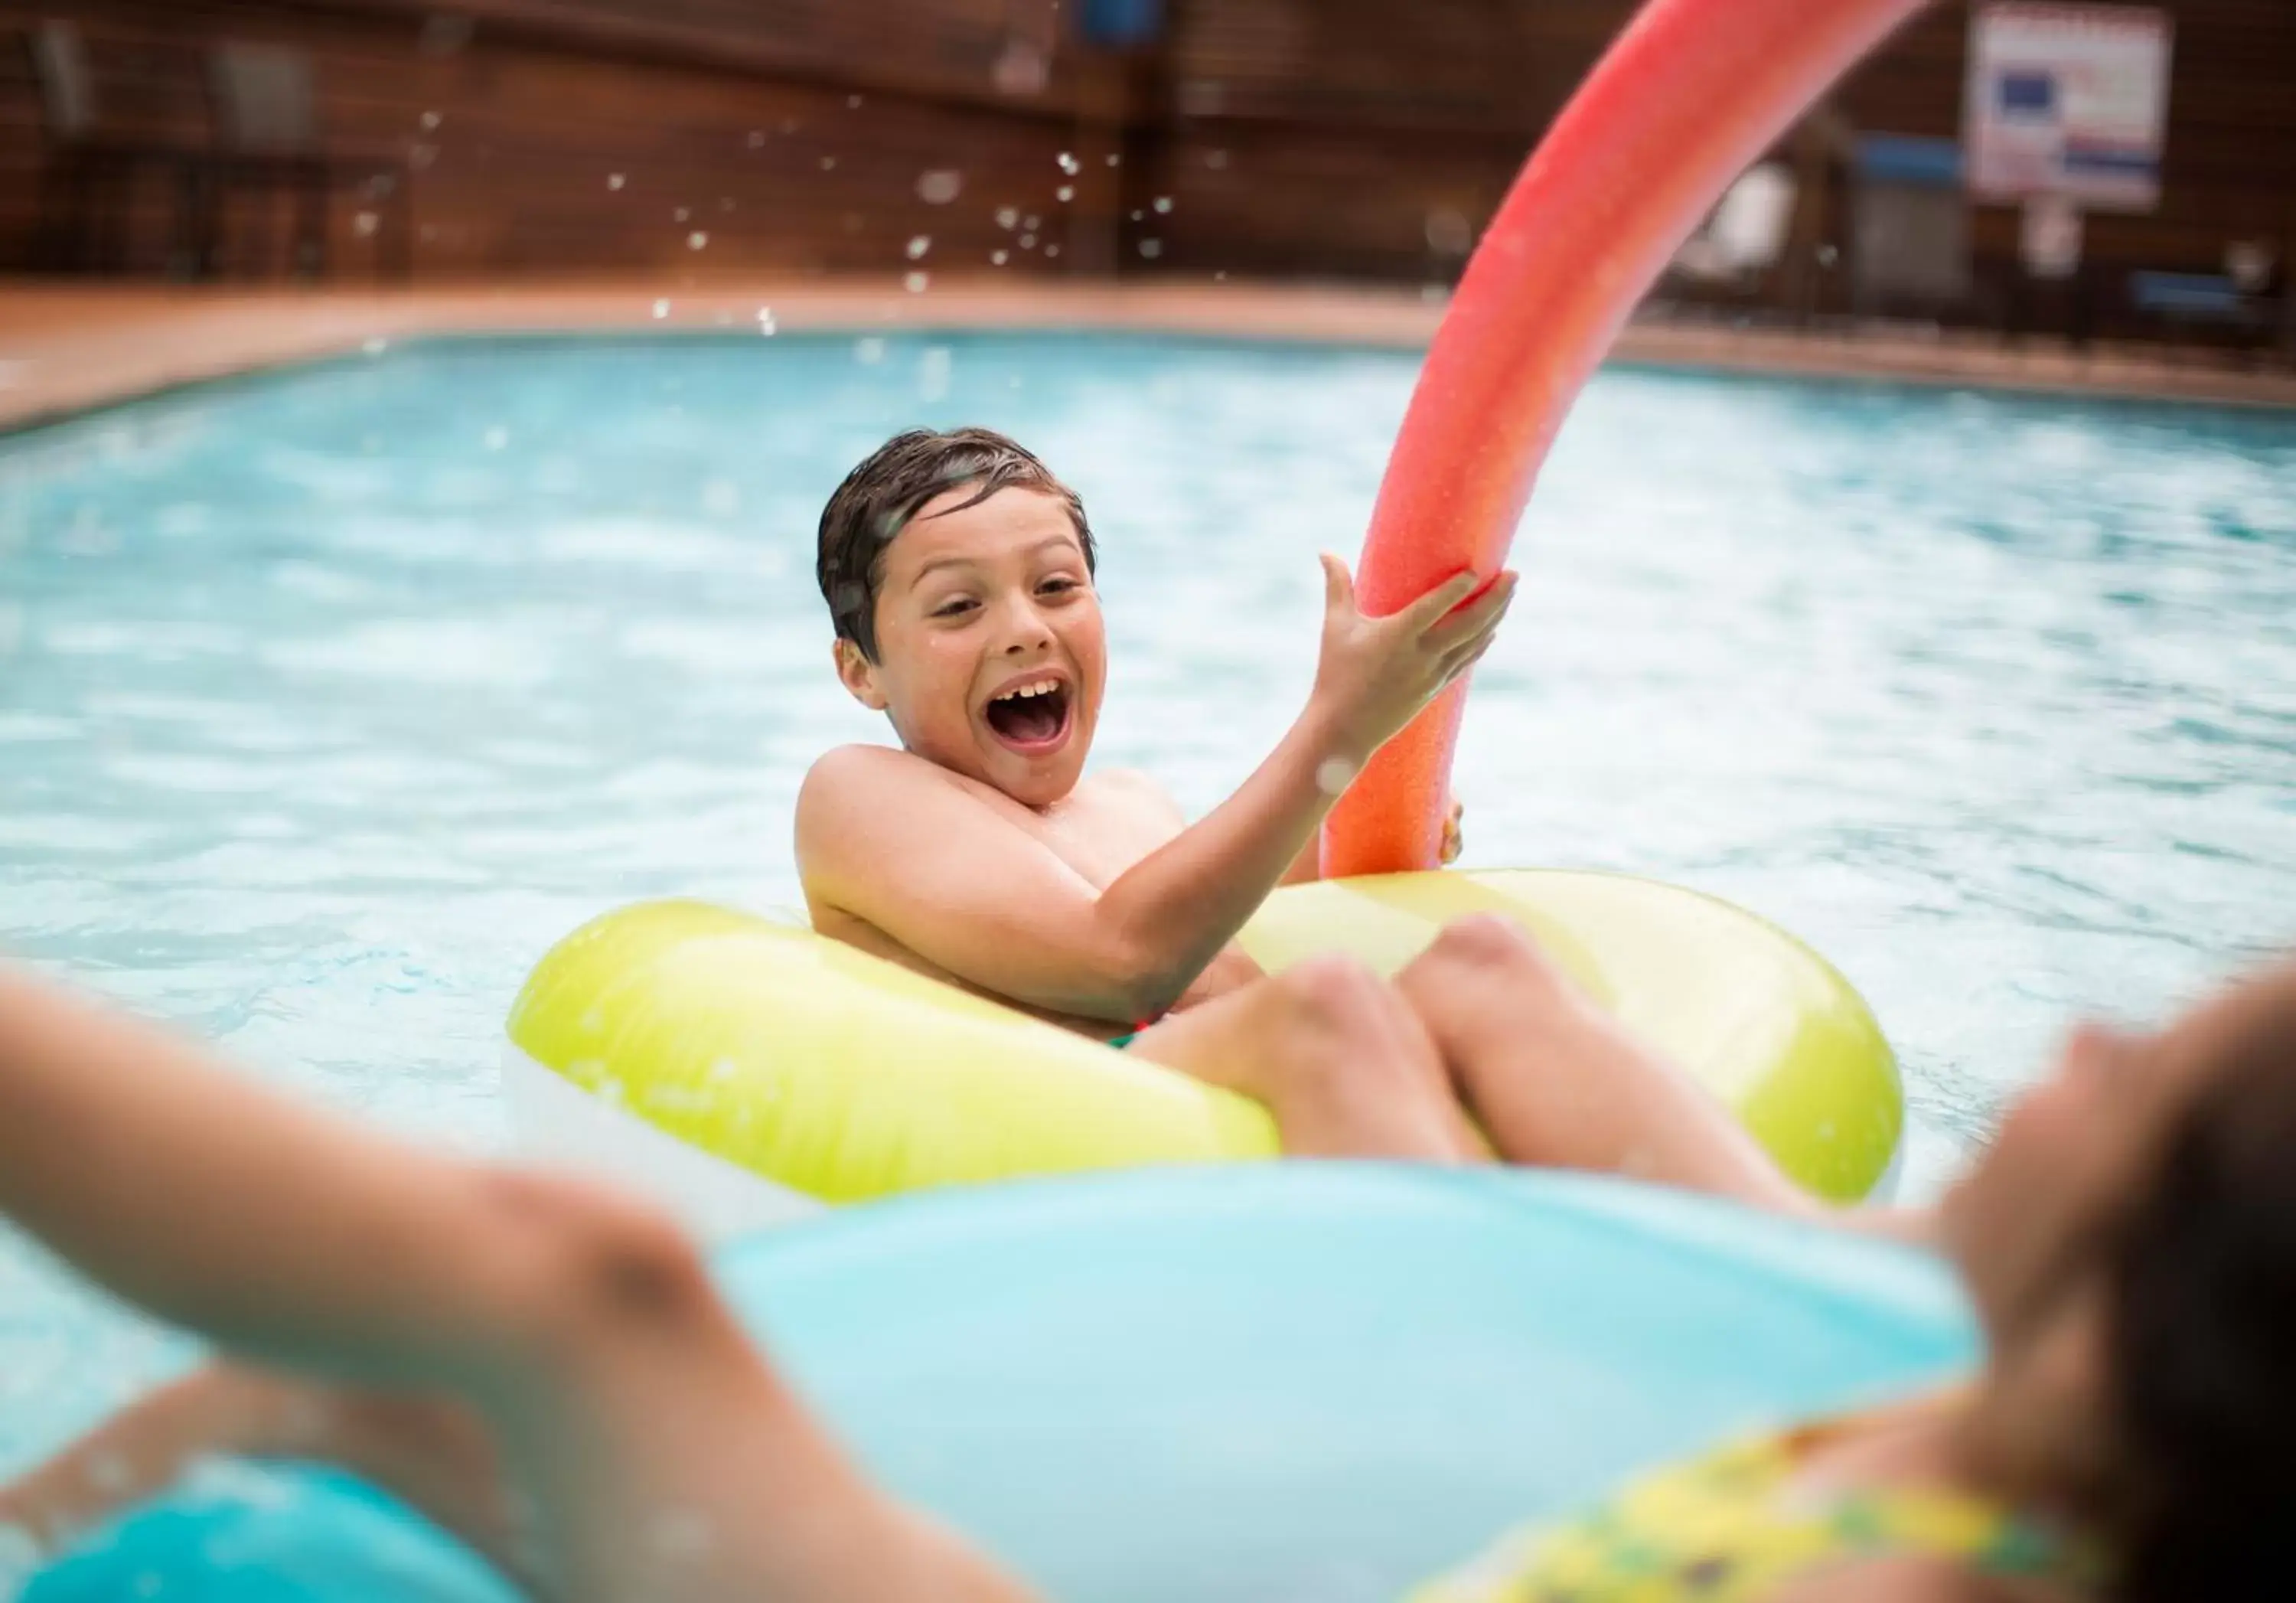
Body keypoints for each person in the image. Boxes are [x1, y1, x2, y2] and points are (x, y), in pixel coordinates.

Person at [5, 933, 2294, 1601]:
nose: (2074, 1035)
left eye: (2137, 1071)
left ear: (2160, 1274)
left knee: (581, 1289)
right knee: (378, 1390)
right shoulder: (1983, 1414)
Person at [797, 426, 1543, 1157]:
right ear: (860, 670)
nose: (1026, 629)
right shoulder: (857, 791)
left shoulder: (1132, 803)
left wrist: (1359, 821)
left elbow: (1215, 925)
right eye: (959, 606)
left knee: (1486, 961)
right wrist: (1341, 724)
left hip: (1233, 1053)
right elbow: (1126, 965)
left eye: (1057, 586)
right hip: (1085, 1108)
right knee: (1326, 1003)